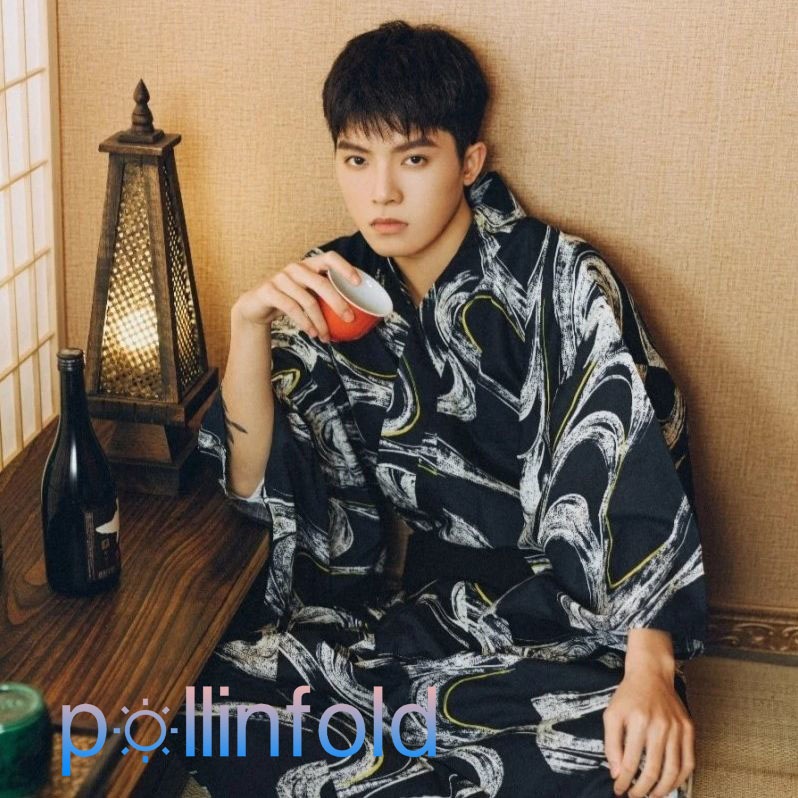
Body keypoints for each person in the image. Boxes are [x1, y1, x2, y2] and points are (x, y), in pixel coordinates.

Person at [178, 19, 707, 798]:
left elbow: (633, 465)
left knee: (608, 752)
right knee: (211, 710)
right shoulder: (332, 287)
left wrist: (651, 671)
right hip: (419, 623)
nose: (382, 192)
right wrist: (247, 327)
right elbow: (258, 486)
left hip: (568, 629)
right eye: (356, 159)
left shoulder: (558, 276)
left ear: (470, 161)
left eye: (415, 158)